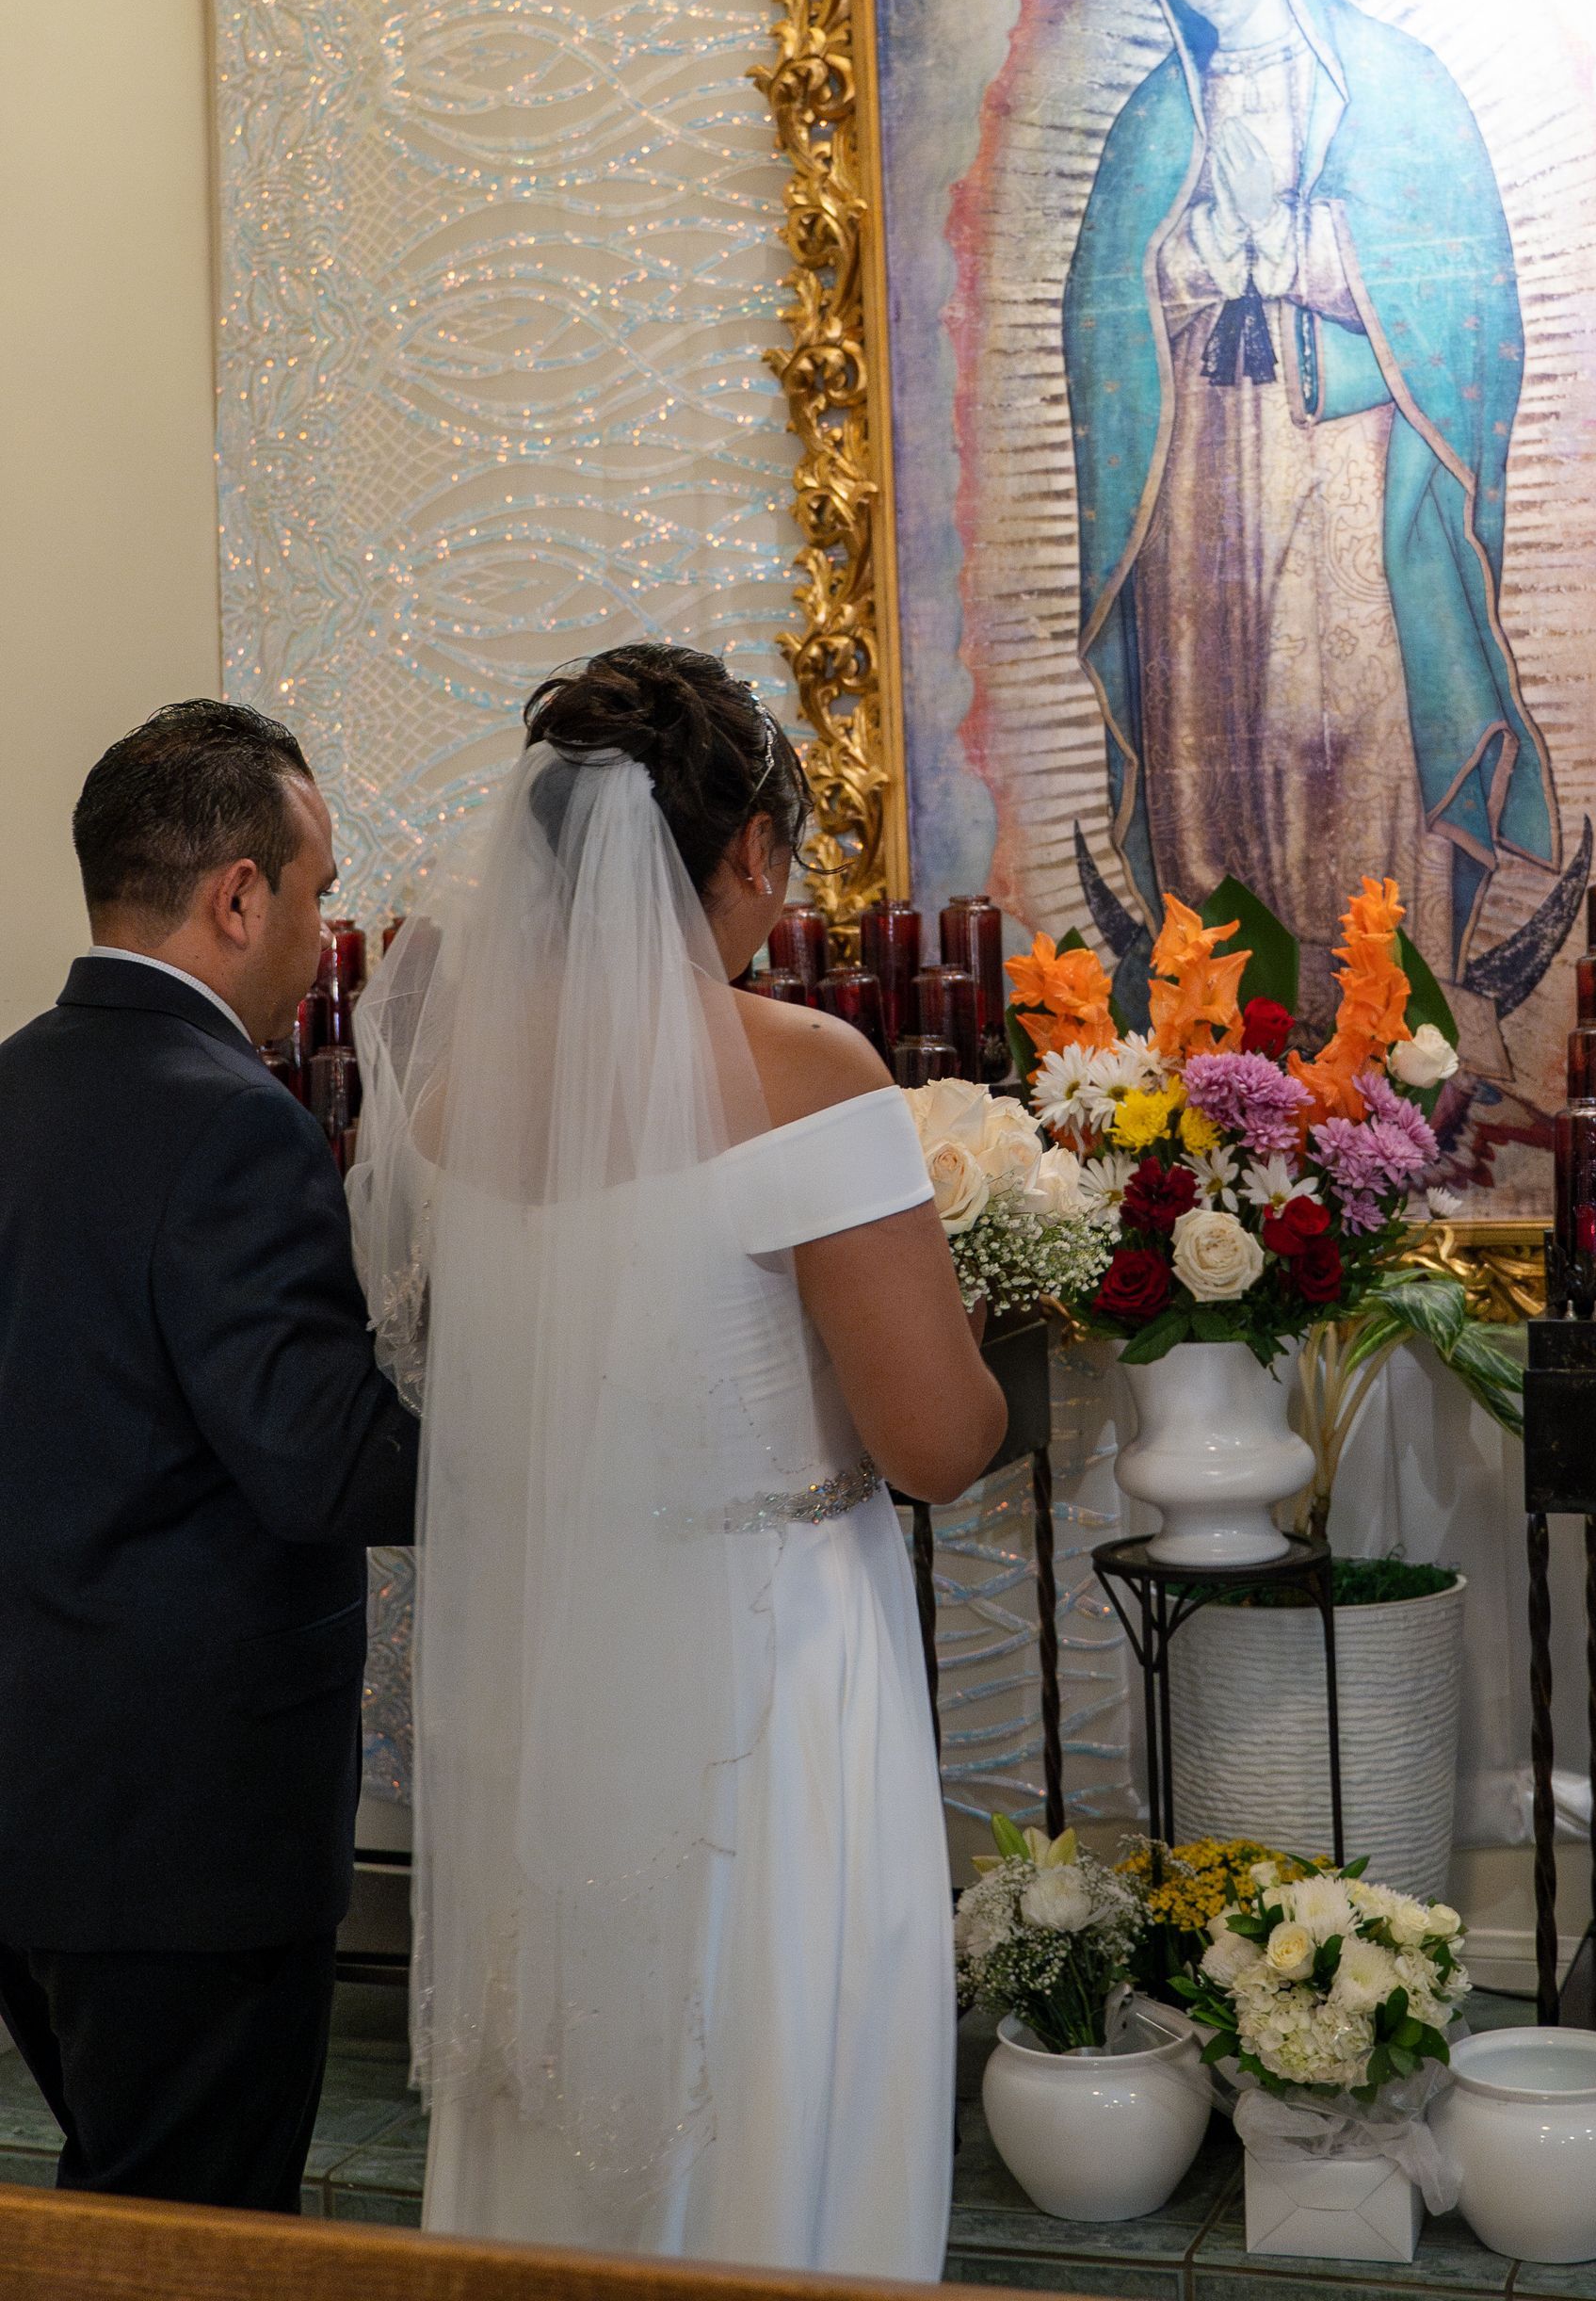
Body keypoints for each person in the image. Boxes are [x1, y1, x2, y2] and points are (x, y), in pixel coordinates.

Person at [351, 642, 1005, 2275]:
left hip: (558, 1652)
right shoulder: (804, 1073)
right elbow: (936, 1444)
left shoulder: (451, 1103)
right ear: (751, 851)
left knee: (569, 2071)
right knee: (771, 2030)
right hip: (773, 1661)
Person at [0, 701, 420, 2211]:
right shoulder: (232, 1122)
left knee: (121, 2202)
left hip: (35, 1806)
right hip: (188, 1827)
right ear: (239, 895)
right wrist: (542, 1421)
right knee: (200, 2234)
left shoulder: (11, 1086)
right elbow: (324, 1467)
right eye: (317, 893)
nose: (324, 935)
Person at [1067, 0, 1559, 1017]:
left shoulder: (1390, 84)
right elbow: (1098, 307)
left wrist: (1299, 244)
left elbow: (1464, 289)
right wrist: (1199, 254)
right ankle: (1229, 1013)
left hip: (1347, 451)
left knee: (1342, 707)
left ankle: (1384, 1001)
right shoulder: (1158, 115)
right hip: (1198, 465)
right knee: (1214, 714)